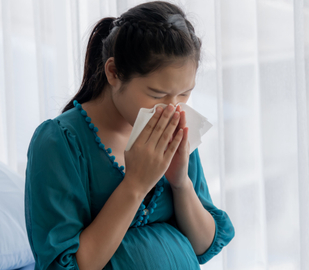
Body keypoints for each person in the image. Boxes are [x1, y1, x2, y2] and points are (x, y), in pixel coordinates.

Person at [24, 1, 235, 270]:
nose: (172, 108)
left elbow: (203, 245)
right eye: (157, 94)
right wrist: (135, 185)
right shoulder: (59, 142)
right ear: (113, 72)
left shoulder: (174, 129)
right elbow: (65, 265)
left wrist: (181, 182)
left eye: (184, 93)